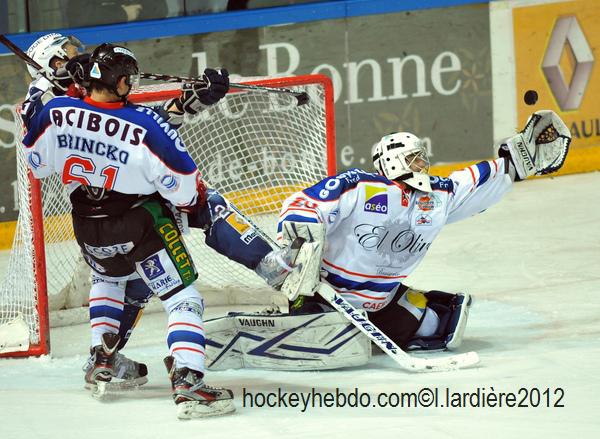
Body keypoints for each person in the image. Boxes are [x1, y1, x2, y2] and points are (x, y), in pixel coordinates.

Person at [20, 41, 316, 418]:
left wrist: (36, 97)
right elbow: (181, 181)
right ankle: (191, 379)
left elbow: (40, 163)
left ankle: (101, 359)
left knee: (113, 283)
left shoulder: (55, 111)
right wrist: (192, 208)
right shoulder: (143, 123)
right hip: (141, 226)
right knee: (184, 291)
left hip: (88, 229)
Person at [202, 113, 572, 370]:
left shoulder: (438, 197)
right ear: (394, 161)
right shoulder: (361, 186)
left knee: (438, 326)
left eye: (423, 157)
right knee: (331, 334)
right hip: (323, 294)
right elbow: (303, 204)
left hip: (379, 302)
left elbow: (474, 181)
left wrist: (516, 162)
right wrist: (302, 230)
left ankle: (373, 324)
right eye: (414, 157)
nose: (423, 164)